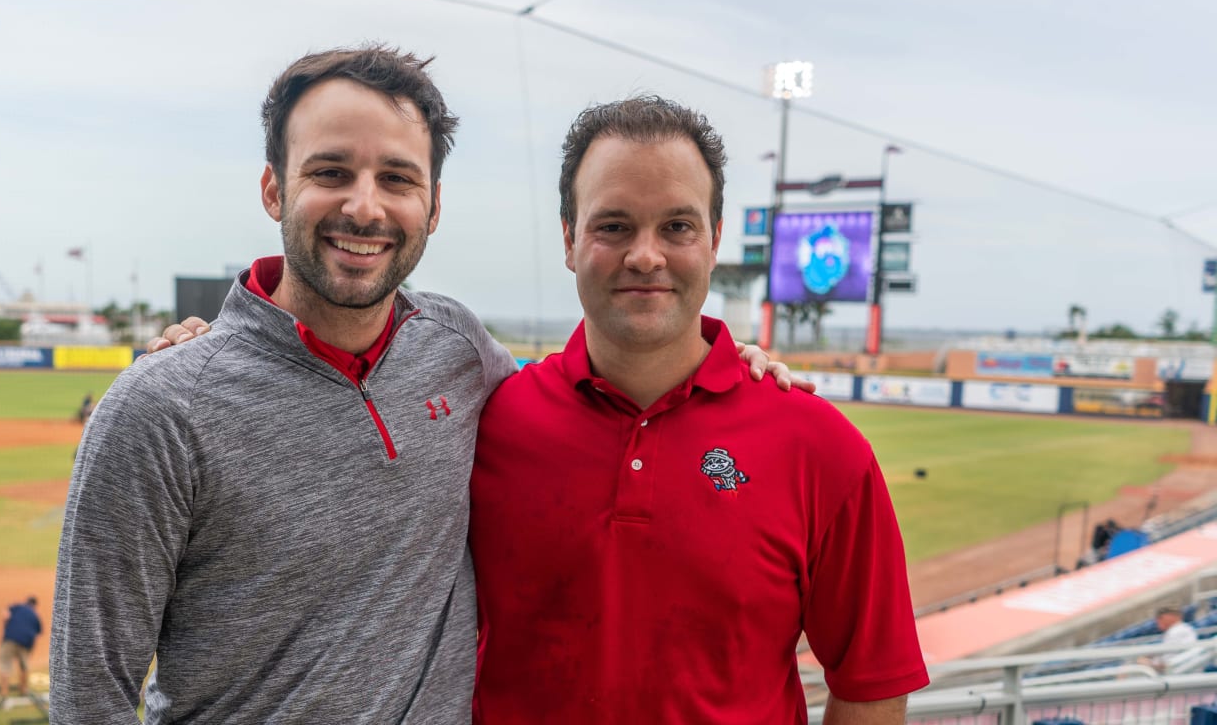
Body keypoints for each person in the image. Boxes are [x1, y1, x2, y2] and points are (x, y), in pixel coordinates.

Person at [58, 45, 800, 724]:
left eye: (397, 179)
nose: (365, 206)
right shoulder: (159, 410)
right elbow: (90, 697)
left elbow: (595, 393)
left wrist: (730, 364)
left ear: (434, 207)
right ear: (273, 189)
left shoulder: (460, 349)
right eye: (330, 172)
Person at [468, 96, 928, 723]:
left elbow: (871, 683)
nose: (646, 256)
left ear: (713, 242)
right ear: (570, 239)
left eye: (677, 227)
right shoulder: (488, 423)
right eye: (614, 226)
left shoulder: (821, 446)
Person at [0, 596, 42, 702]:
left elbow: (5, 616)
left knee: (4, 666)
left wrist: (6, 630)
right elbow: (37, 633)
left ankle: (4, 694)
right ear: (35, 605)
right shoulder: (35, 615)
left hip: (9, 639)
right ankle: (23, 690)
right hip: (25, 642)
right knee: (24, 667)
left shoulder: (17, 607)